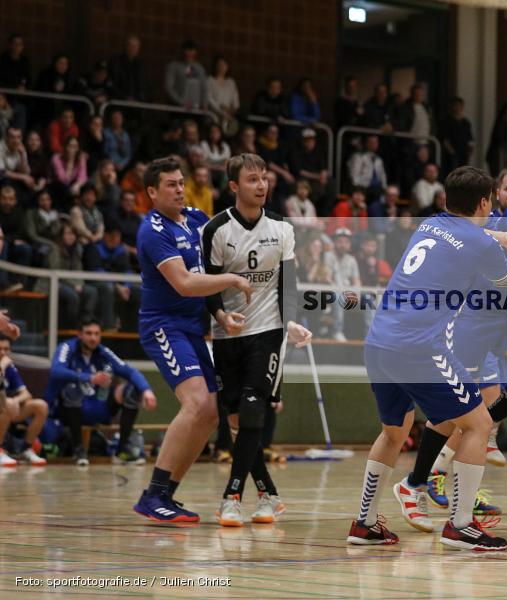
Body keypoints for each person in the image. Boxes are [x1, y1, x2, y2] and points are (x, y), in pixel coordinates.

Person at [349, 166, 507, 550]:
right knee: (479, 424)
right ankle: (461, 525)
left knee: (393, 433)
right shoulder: (480, 242)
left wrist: (503, 236)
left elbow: (475, 233)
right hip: (417, 347)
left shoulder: (430, 224)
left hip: (379, 342)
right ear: (485, 201)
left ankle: (364, 524)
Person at [131, 156, 252, 523]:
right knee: (197, 403)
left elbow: (218, 258)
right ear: (152, 192)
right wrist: (232, 281)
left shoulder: (197, 219)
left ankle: (165, 493)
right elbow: (184, 283)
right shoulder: (152, 230)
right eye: (170, 184)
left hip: (194, 327)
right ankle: (152, 495)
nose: (180, 190)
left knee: (211, 412)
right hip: (163, 326)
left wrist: (218, 314)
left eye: (181, 183)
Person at [200, 153, 311, 526]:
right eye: (252, 179)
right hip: (227, 336)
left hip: (267, 333)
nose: (261, 185)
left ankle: (232, 497)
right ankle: (269, 494)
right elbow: (208, 289)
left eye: (264, 178)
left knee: (251, 411)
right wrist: (218, 315)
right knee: (235, 421)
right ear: (234, 186)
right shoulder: (216, 230)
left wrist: (291, 322)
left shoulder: (282, 228)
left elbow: (288, 283)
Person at [45, 318, 156, 465]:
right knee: (72, 389)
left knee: (131, 390)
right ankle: (79, 451)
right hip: (67, 410)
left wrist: (146, 390)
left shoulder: (103, 353)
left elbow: (129, 371)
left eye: (97, 334)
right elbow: (56, 371)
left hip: (97, 406)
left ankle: (122, 450)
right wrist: (89, 378)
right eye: (89, 333)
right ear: (79, 335)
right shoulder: (67, 347)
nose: (93, 338)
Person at [0, 335, 49, 466]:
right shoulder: (4, 365)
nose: (3, 353)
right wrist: (1, 367)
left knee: (40, 406)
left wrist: (16, 400)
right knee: (7, 403)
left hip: (6, 410)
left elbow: (26, 394)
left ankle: (25, 449)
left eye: (6, 349)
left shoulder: (9, 367)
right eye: (0, 349)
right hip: (3, 408)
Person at [36, 223, 97, 326]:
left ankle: (86, 322)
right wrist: (74, 285)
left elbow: (79, 270)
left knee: (91, 291)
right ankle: (71, 326)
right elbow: (56, 271)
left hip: (70, 283)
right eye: (68, 234)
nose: (71, 237)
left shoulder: (77, 250)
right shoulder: (54, 248)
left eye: (73, 234)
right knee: (72, 296)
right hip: (51, 283)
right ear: (62, 235)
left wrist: (80, 284)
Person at [325, 228, 360, 341]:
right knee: (338, 296)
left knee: (370, 299)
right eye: (340, 242)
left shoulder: (352, 260)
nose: (343, 245)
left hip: (349, 293)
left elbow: (357, 281)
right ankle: (337, 331)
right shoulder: (328, 256)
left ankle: (371, 334)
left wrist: (356, 292)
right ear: (334, 242)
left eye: (346, 242)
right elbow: (327, 279)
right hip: (330, 292)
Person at [165, 40, 206, 109]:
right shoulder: (173, 67)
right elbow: (169, 87)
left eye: (192, 51)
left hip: (196, 108)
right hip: (178, 107)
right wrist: (181, 102)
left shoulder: (199, 68)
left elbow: (204, 88)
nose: (189, 54)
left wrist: (204, 103)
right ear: (183, 51)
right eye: (188, 50)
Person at [108, 35, 150, 102]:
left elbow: (145, 85)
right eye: (132, 46)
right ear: (126, 47)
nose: (134, 49)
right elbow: (112, 83)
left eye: (136, 47)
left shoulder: (141, 66)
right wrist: (124, 97)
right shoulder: (116, 62)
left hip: (137, 102)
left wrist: (141, 99)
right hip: (120, 101)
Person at [439, 97, 474, 174]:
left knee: (464, 172)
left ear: (462, 107)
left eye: (459, 106)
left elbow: (470, 138)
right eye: (455, 106)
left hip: (464, 152)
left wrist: (471, 148)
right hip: (451, 154)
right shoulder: (446, 121)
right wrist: (451, 151)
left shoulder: (466, 123)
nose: (457, 108)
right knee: (452, 172)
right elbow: (445, 139)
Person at [348, 135, 387, 201]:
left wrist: (384, 187)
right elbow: (354, 174)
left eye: (376, 142)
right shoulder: (358, 156)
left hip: (377, 188)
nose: (374, 145)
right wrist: (358, 188)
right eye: (372, 142)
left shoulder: (379, 159)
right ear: (367, 143)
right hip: (363, 187)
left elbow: (382, 175)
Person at [205, 56, 240, 129]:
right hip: (214, 115)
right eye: (220, 65)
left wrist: (232, 110)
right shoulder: (209, 81)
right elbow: (210, 100)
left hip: (229, 116)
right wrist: (222, 111)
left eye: (224, 65)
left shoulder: (231, 82)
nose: (222, 67)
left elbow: (235, 101)